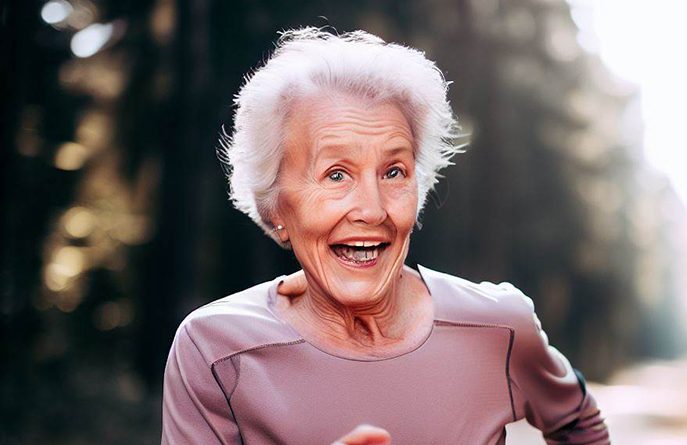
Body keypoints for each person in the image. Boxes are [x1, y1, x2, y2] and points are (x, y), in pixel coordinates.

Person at [161, 27, 610, 445]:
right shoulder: (216, 350)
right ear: (275, 205)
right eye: (336, 174)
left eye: (394, 171)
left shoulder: (498, 325)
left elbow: (578, 423)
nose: (373, 210)